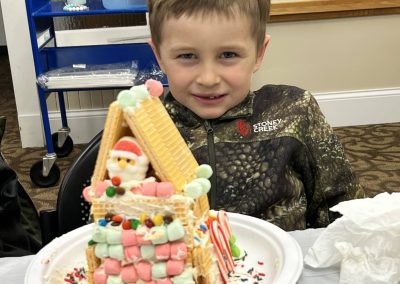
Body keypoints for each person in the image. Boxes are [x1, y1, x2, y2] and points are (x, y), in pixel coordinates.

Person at [146, 0, 364, 231]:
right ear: (159, 56)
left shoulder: (294, 111)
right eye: (187, 56)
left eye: (228, 54)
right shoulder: (143, 130)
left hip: (286, 258)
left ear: (259, 53)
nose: (208, 79)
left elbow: (343, 203)